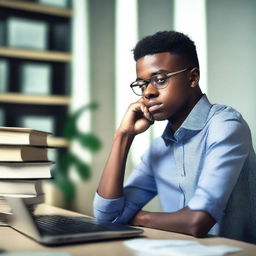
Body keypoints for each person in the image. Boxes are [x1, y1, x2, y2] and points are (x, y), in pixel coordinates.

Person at [93, 31, 256, 243]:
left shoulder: (225, 126)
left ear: (193, 78)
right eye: (142, 84)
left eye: (159, 80)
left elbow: (197, 221)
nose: (148, 92)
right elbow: (106, 217)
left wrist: (136, 217)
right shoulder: (158, 151)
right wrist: (123, 136)